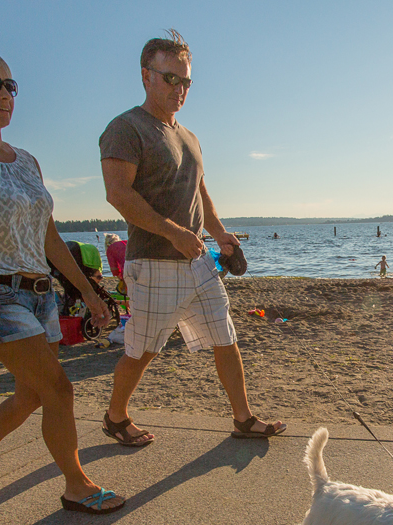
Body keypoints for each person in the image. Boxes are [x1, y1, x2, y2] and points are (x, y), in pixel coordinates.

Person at [0, 39, 124, 513]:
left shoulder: (26, 160)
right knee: (59, 389)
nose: (5, 93)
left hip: (39, 295)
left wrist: (89, 293)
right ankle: (77, 485)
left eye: (11, 84)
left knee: (32, 393)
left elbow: (49, 239)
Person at [98, 30, 285, 445]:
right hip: (153, 262)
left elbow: (200, 191)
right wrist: (174, 233)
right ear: (146, 75)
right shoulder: (126, 128)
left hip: (198, 260)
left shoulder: (190, 136)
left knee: (226, 337)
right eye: (170, 79)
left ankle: (243, 418)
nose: (179, 89)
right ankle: (115, 416)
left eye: (186, 81)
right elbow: (118, 194)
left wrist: (222, 237)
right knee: (142, 350)